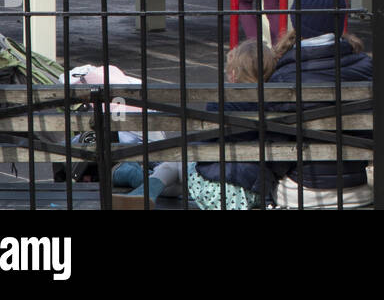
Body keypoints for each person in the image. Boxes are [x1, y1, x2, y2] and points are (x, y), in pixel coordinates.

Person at [113, 39, 276, 210]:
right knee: (178, 181)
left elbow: (204, 146)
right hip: (253, 193)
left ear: (234, 74)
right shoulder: (275, 104)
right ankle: (141, 184)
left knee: (176, 163)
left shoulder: (221, 103)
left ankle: (141, 191)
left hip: (214, 191)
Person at [269, 0, 376, 209]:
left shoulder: (284, 76)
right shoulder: (367, 68)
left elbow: (276, 147)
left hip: (302, 191)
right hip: (357, 189)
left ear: (297, 20)